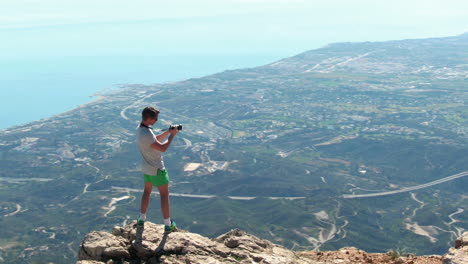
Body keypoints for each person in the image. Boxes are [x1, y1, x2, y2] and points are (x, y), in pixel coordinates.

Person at [136, 106, 178, 232]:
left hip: (146, 167)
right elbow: (162, 148)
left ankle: (141, 219)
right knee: (164, 195)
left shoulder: (140, 129)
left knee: (147, 192)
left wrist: (167, 132)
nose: (156, 120)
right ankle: (167, 224)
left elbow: (154, 140)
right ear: (149, 118)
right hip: (157, 169)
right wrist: (172, 136)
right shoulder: (147, 133)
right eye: (155, 118)